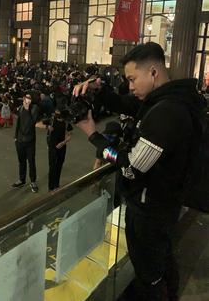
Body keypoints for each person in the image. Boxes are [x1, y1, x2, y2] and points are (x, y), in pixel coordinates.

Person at [73, 42, 205, 301]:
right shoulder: (171, 98)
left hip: (150, 209)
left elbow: (132, 168)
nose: (130, 87)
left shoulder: (167, 113)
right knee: (162, 259)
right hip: (164, 202)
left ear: (153, 72)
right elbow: (129, 105)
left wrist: (94, 137)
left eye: (132, 79)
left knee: (149, 271)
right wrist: (101, 92)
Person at [36, 107, 72, 191]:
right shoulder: (51, 120)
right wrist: (47, 127)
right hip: (52, 147)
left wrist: (63, 142)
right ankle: (51, 188)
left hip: (62, 147)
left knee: (59, 166)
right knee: (52, 167)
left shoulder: (66, 123)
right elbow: (37, 124)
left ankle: (56, 185)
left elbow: (69, 135)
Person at [12, 93, 40, 193]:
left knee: (31, 162)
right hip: (19, 140)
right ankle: (21, 180)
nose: (26, 100)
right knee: (21, 161)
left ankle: (33, 181)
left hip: (30, 141)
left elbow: (31, 123)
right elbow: (18, 123)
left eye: (29, 98)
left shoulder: (34, 108)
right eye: (25, 97)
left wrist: (27, 109)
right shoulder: (21, 108)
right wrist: (15, 137)